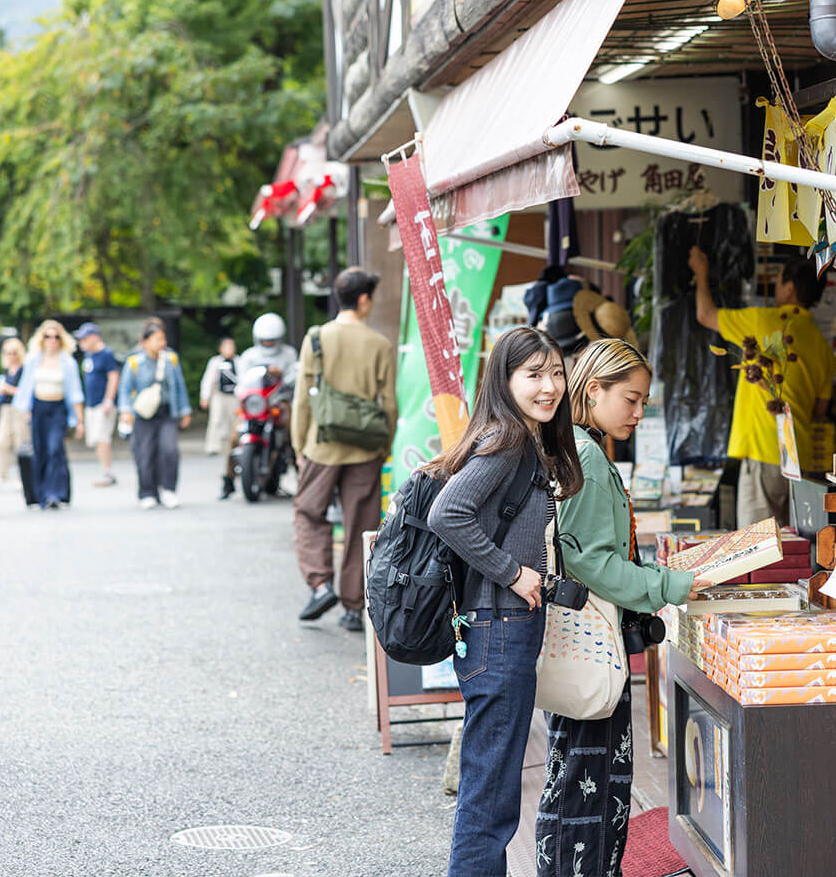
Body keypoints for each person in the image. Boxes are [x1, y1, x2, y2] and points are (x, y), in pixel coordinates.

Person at [535, 339, 708, 877]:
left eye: (643, 401)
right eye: (630, 399)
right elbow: (590, 563)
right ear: (593, 390)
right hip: (588, 643)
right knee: (588, 783)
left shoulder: (578, 447)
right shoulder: (585, 453)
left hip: (581, 641)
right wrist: (671, 585)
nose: (638, 411)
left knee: (580, 778)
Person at [425, 327, 584, 877]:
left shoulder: (516, 437)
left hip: (496, 628)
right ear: (505, 379)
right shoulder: (507, 440)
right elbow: (447, 513)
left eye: (556, 373)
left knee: (490, 786)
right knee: (490, 795)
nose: (550, 386)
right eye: (534, 375)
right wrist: (513, 571)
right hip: (498, 626)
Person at [688, 248, 836, 526]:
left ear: (789, 289)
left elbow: (705, 314)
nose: (776, 287)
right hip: (799, 457)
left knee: (760, 548)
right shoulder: (822, 345)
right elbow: (820, 409)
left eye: (779, 281)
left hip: (763, 449)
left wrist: (701, 272)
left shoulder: (761, 321)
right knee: (796, 544)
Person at [289, 271, 397, 630]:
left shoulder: (317, 338)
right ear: (364, 299)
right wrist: (384, 444)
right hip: (365, 446)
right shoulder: (379, 344)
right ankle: (354, 606)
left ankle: (320, 584)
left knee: (308, 512)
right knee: (360, 525)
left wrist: (299, 442)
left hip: (322, 445)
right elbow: (389, 404)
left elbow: (304, 397)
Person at [223, 312, 299, 499]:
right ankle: (228, 480)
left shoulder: (289, 354)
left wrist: (281, 376)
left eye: (272, 341)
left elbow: (294, 376)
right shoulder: (249, 356)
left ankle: (302, 477)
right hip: (255, 404)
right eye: (265, 341)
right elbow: (242, 381)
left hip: (279, 401)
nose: (268, 344)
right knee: (234, 436)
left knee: (295, 434)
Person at [118, 320, 191, 509]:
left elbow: (180, 386)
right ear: (146, 341)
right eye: (158, 339)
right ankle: (147, 492)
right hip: (143, 414)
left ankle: (168, 489)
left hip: (167, 411)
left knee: (170, 450)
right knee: (144, 453)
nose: (162, 343)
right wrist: (125, 410)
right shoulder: (135, 361)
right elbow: (125, 389)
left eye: (163, 338)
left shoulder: (170, 359)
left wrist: (185, 411)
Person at [12, 320, 85, 510]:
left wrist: (79, 421)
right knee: (40, 451)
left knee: (55, 449)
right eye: (47, 336)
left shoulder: (67, 362)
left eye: (55, 337)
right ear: (41, 339)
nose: (51, 340)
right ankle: (41, 494)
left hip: (58, 408)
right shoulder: (33, 360)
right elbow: (26, 388)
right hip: (39, 408)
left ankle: (56, 493)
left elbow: (75, 392)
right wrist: (25, 412)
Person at [74, 322, 121, 488]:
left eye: (84, 338)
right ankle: (104, 469)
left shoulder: (105, 354)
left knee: (102, 437)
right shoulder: (89, 355)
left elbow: (114, 377)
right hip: (91, 403)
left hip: (103, 404)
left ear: (94, 337)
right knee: (95, 438)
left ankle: (107, 472)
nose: (81, 342)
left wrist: (108, 400)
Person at [0, 338, 29, 483]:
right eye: (8, 353)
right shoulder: (6, 371)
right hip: (6, 409)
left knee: (21, 444)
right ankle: (2, 474)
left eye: (14, 353)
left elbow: (26, 391)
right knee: (0, 441)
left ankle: (24, 477)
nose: (11, 356)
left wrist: (9, 389)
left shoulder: (24, 370)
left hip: (20, 409)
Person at [199, 336, 239, 458]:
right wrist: (205, 396)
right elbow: (208, 380)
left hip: (234, 395)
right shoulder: (216, 362)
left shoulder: (239, 361)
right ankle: (213, 446)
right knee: (216, 420)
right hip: (219, 395)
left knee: (235, 421)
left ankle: (234, 444)